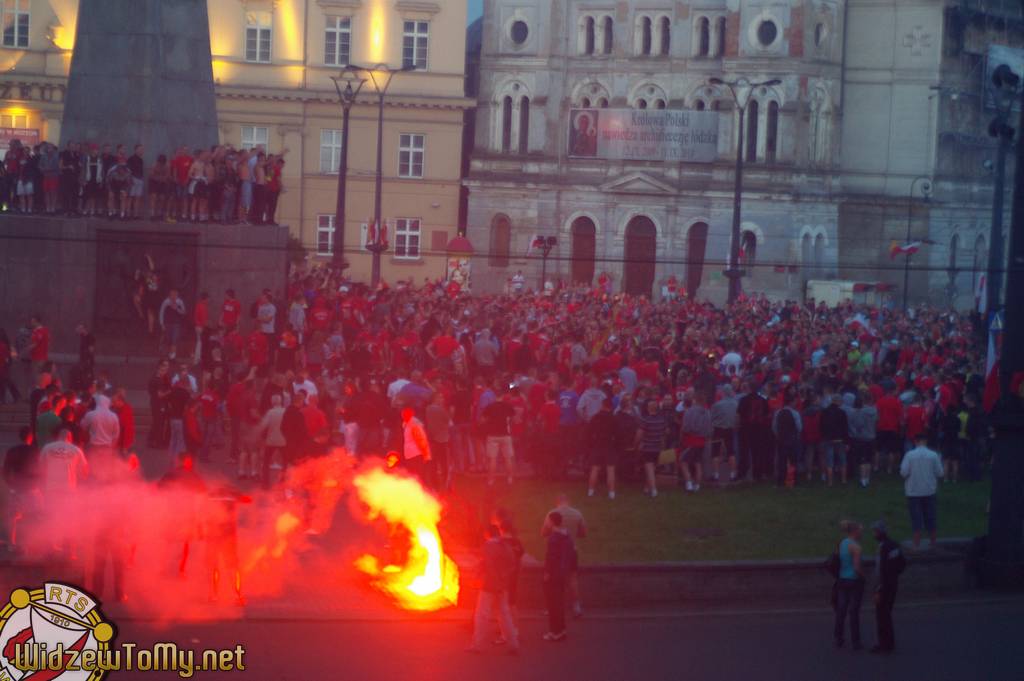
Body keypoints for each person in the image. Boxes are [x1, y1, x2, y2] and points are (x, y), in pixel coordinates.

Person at [466, 524, 519, 655]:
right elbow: (512, 562)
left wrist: (477, 576)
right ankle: (513, 644)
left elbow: (486, 564)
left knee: (482, 615)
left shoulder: (489, 546)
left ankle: (477, 645)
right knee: (505, 615)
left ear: (487, 533)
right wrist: (503, 577)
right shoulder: (505, 546)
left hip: (489, 585)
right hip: (502, 585)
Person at [542, 493, 586, 618]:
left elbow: (544, 532)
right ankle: (576, 606)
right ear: (568, 501)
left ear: (557, 502)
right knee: (572, 578)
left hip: (556, 553)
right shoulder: (577, 514)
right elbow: (583, 533)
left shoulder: (552, 514)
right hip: (571, 551)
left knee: (554, 580)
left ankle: (553, 607)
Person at [900, 432, 944, 550]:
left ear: (915, 441)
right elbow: (940, 473)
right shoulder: (934, 455)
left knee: (916, 518)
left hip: (913, 491)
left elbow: (904, 472)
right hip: (929, 490)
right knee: (931, 517)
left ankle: (916, 544)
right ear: (926, 441)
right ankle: (933, 542)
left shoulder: (909, 455)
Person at [871, 520, 906, 654]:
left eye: (875, 531)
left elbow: (881, 570)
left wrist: (878, 590)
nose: (873, 534)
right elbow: (902, 564)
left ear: (880, 532)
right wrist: (894, 576)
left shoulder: (882, 548)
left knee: (881, 616)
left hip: (884, 586)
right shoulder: (894, 545)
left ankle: (883, 645)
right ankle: (889, 643)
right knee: (887, 614)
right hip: (893, 585)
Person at [3, 427, 39, 548]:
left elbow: (5, 469)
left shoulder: (12, 451)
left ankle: (11, 543)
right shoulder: (34, 451)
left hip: (16, 487)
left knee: (12, 517)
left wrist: (10, 484)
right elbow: (40, 470)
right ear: (30, 437)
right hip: (31, 488)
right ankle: (30, 542)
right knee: (33, 515)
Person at [833, 520, 865, 650]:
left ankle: (838, 637)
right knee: (854, 611)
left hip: (841, 580)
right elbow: (857, 568)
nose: (862, 534)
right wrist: (864, 577)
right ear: (855, 532)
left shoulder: (842, 543)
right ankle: (855, 641)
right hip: (854, 581)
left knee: (841, 610)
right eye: (861, 531)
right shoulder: (856, 547)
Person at [542, 511, 574, 642]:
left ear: (552, 522)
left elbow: (549, 558)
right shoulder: (567, 536)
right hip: (563, 573)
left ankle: (554, 632)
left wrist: (547, 573)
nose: (547, 523)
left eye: (548, 520)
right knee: (559, 602)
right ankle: (561, 630)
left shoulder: (553, 538)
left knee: (552, 603)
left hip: (553, 574)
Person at [586, 397, 619, 499]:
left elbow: (589, 432)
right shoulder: (614, 418)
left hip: (597, 445)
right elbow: (618, 434)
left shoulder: (595, 417)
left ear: (602, 405)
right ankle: (611, 493)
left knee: (595, 469)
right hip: (609, 445)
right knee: (610, 469)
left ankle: (590, 492)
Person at [680, 392, 712, 492]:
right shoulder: (707, 412)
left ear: (695, 399)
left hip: (691, 440)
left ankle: (688, 483)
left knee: (683, 461)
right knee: (697, 463)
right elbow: (710, 429)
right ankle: (697, 486)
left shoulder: (689, 411)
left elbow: (685, 427)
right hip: (702, 441)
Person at [636, 397, 667, 497]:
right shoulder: (661, 420)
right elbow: (663, 435)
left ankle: (653, 490)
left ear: (648, 408)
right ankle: (646, 488)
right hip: (658, 448)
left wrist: (636, 444)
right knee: (652, 470)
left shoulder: (645, 419)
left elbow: (639, 434)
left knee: (649, 469)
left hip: (648, 447)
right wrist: (663, 448)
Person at [772, 392, 803, 487]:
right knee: (793, 461)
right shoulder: (795, 413)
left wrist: (778, 435)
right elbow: (799, 427)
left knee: (781, 461)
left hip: (781, 440)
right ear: (791, 402)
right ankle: (793, 480)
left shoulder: (778, 412)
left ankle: (780, 481)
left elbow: (774, 427)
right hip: (793, 440)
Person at [400, 407, 432, 487]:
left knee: (419, 476)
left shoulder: (414, 425)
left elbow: (422, 440)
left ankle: (423, 493)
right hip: (409, 455)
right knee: (413, 476)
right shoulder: (406, 424)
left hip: (416, 454)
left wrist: (426, 455)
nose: (403, 416)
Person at [159, 289, 187, 360]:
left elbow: (183, 312)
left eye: (175, 295)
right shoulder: (166, 302)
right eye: (172, 295)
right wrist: (162, 324)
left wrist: (177, 308)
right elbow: (161, 312)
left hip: (176, 324)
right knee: (168, 340)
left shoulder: (179, 302)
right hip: (167, 324)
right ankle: (166, 355)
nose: (174, 297)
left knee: (174, 340)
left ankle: (172, 357)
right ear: (170, 295)